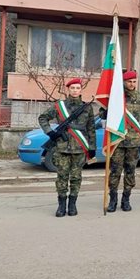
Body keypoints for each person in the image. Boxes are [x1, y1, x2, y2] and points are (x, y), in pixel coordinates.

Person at [38, 78, 95, 217]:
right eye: (72, 88)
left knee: (76, 177)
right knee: (62, 177)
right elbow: (43, 117)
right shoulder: (59, 106)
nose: (75, 90)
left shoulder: (87, 107)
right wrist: (49, 132)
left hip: (79, 148)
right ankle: (61, 206)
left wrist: (92, 147)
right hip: (62, 148)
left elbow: (91, 128)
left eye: (77, 88)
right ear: (68, 90)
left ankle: (72, 205)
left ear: (81, 90)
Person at [106, 71, 140, 212]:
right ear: (124, 82)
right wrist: (108, 105)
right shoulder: (116, 97)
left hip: (134, 141)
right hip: (118, 140)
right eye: (129, 81)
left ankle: (126, 199)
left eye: (134, 81)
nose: (132, 84)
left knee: (130, 171)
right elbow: (103, 114)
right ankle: (113, 199)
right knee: (115, 171)